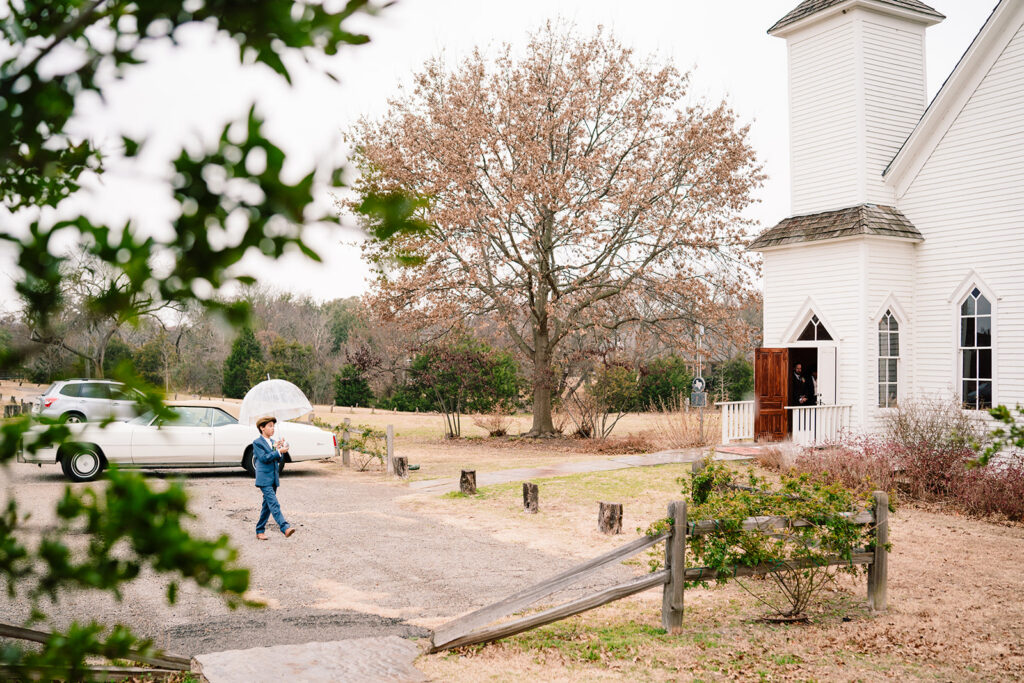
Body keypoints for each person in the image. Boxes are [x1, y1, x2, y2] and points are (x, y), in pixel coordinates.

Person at [253, 415, 295, 540]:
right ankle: (285, 527)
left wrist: (280, 448)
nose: (273, 429)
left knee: (267, 506)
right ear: (262, 428)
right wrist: (278, 451)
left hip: (273, 478)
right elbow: (264, 458)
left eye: (273, 426)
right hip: (264, 479)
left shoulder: (273, 442)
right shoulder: (257, 442)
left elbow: (278, 460)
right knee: (274, 503)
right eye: (270, 426)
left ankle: (260, 530)